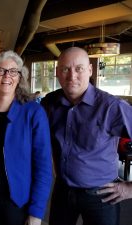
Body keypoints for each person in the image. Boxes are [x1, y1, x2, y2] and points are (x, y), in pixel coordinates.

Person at [40, 47, 132, 225]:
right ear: (57, 73)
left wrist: (130, 188)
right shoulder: (50, 103)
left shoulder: (111, 107)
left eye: (79, 69)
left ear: (90, 70)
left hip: (102, 196)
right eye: (66, 69)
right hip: (63, 192)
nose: (72, 76)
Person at [0, 50, 52, 225]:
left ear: (20, 77)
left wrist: (36, 213)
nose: (7, 75)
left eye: (13, 71)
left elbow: (43, 167)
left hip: (17, 202)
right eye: (0, 70)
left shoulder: (34, 113)